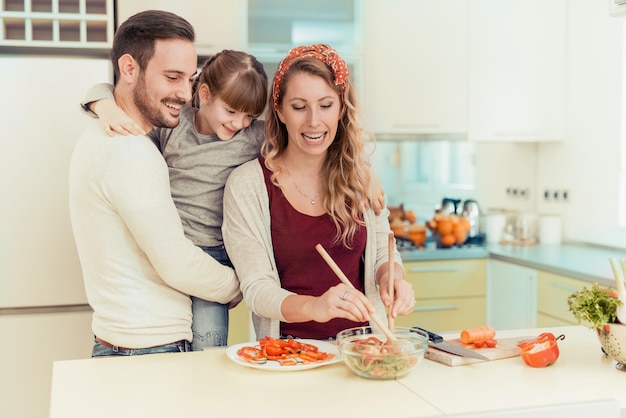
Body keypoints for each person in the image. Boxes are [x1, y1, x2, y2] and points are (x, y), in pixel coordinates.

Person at [80, 50, 385, 347]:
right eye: (231, 112)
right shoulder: (174, 126)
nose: (238, 123)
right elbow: (132, 106)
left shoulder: (251, 136)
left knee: (208, 346)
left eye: (249, 116)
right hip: (174, 250)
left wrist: (362, 171)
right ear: (205, 94)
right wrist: (103, 105)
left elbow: (315, 137)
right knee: (169, 337)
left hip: (216, 255)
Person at [69, 10, 240, 357]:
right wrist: (242, 285)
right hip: (150, 349)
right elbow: (178, 263)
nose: (184, 93)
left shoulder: (100, 131)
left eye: (190, 79)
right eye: (173, 77)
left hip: (123, 343)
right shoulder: (130, 152)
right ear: (130, 68)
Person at [221, 44, 415, 341]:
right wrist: (316, 306)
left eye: (326, 105)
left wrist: (392, 277)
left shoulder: (361, 176)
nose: (314, 121)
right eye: (299, 107)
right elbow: (257, 289)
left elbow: (381, 254)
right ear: (280, 111)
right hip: (289, 355)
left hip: (362, 350)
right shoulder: (248, 185)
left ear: (341, 110)